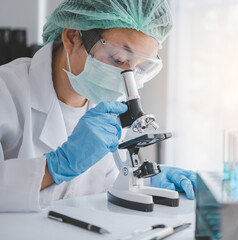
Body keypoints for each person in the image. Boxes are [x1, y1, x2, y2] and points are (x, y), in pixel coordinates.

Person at [0, 0, 196, 212]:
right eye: (117, 59)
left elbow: (107, 184)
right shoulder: (6, 91)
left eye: (141, 67)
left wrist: (144, 180)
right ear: (72, 36)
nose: (127, 79)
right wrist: (56, 166)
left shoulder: (110, 107)